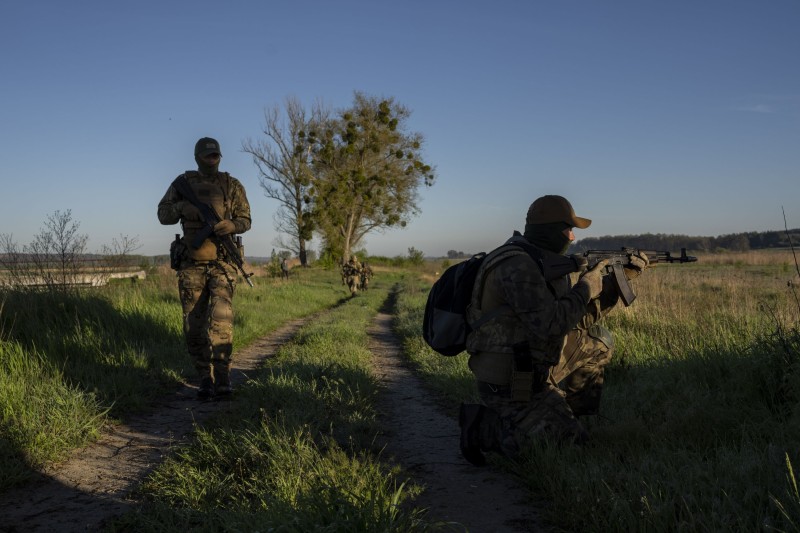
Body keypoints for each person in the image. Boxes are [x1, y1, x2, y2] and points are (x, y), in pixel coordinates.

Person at [459, 195, 649, 465]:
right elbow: (551, 325)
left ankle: (561, 414)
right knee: (565, 451)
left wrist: (620, 281)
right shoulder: (518, 265)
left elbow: (577, 320)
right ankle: (483, 427)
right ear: (548, 231)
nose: (572, 238)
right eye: (567, 230)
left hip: (534, 366)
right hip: (509, 381)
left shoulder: (542, 263)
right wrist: (585, 288)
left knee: (598, 342)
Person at [157, 137, 252, 400]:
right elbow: (163, 215)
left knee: (221, 322)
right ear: (198, 157)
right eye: (208, 155)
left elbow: (246, 219)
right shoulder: (182, 184)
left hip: (223, 263)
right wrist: (183, 208)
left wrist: (232, 226)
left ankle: (222, 379)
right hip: (191, 266)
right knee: (193, 326)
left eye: (216, 155)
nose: (213, 159)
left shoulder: (232, 185)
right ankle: (204, 379)